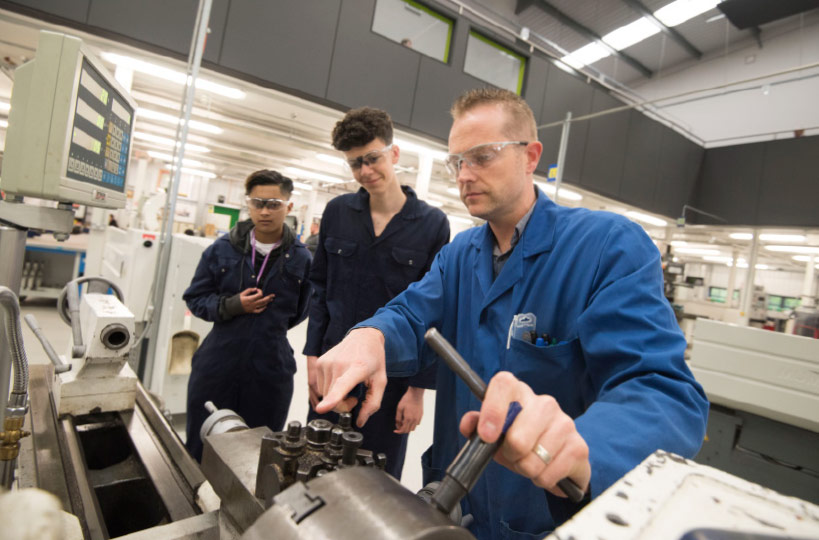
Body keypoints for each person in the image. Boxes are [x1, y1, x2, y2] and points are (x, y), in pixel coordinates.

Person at [313, 89, 709, 538]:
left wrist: (584, 447)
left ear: (530, 156)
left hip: (546, 516)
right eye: (457, 162)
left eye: (481, 156)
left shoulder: (606, 247)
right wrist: (371, 336)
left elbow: (662, 392)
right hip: (452, 510)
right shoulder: (459, 255)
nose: (465, 175)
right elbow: (410, 313)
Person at [304, 106, 450, 479]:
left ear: (394, 153)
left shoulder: (432, 224)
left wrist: (417, 390)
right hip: (334, 364)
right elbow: (320, 288)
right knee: (315, 466)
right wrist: (312, 356)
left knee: (377, 478)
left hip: (394, 372)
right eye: (355, 164)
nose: (366, 171)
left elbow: (436, 311)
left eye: (373, 158)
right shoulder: (337, 212)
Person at [183, 169, 312, 461]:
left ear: (288, 207)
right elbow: (195, 298)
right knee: (202, 444)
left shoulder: (302, 259)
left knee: (260, 451)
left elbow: (301, 311)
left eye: (274, 204)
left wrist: (266, 326)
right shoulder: (221, 250)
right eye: (258, 203)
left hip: (270, 366)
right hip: (218, 361)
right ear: (248, 205)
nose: (265, 211)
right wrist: (233, 306)